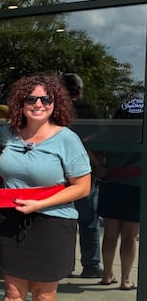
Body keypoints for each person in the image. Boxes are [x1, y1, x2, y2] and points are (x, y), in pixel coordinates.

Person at [0, 74, 91, 301]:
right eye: (31, 98)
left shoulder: (66, 139)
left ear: (55, 103)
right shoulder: (6, 134)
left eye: (45, 99)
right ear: (20, 102)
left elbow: (83, 187)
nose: (38, 104)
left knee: (45, 295)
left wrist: (39, 204)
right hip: (12, 221)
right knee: (14, 291)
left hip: (52, 223)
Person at [97, 99, 142, 291]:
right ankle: (125, 280)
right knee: (129, 237)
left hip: (111, 185)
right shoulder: (142, 132)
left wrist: (98, 166)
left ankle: (107, 275)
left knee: (110, 234)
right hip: (136, 187)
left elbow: (86, 142)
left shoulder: (110, 133)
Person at [61, 72, 103, 278]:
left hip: (59, 176)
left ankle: (65, 266)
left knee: (64, 222)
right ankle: (91, 265)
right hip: (84, 174)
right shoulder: (89, 111)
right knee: (88, 221)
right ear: (79, 90)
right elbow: (98, 139)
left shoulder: (56, 111)